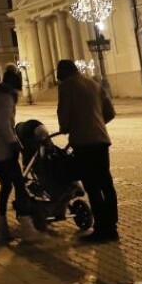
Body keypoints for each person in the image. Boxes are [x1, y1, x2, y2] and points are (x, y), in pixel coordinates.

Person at [56, 58, 119, 243]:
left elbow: (65, 122)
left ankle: (100, 230)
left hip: (84, 144)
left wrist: (75, 126)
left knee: (92, 186)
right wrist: (96, 124)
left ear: (62, 74)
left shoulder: (67, 87)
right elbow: (110, 113)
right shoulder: (94, 84)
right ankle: (112, 227)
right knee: (106, 185)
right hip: (101, 141)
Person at [0, 65, 41, 243]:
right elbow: (4, 123)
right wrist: (14, 143)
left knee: (6, 186)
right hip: (4, 151)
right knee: (19, 185)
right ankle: (27, 226)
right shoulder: (7, 98)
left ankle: (2, 227)